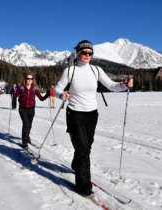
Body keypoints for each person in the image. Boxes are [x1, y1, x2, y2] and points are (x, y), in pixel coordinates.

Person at [54, 40, 133, 196]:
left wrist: (124, 85)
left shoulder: (96, 70)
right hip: (75, 113)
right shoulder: (70, 71)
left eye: (90, 53)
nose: (87, 55)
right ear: (78, 53)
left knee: (87, 146)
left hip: (92, 115)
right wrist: (61, 94)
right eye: (85, 52)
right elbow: (57, 88)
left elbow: (111, 86)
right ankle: (84, 186)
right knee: (83, 149)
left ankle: (77, 165)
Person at [13, 73, 50, 150]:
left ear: (33, 80)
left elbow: (41, 98)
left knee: (29, 125)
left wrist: (47, 95)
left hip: (31, 109)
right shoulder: (21, 88)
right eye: (28, 78)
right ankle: (24, 142)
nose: (29, 80)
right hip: (22, 109)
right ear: (25, 79)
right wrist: (14, 91)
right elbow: (15, 96)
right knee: (26, 124)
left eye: (31, 79)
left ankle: (27, 136)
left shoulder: (34, 88)